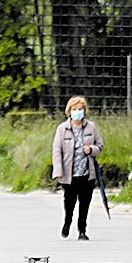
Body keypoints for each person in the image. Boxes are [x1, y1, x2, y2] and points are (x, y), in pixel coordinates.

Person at [51, 96, 104, 240]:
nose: (78, 112)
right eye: (75, 109)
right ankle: (67, 223)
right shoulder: (62, 129)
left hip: (87, 173)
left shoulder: (91, 127)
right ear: (69, 111)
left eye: (80, 109)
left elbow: (100, 146)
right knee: (69, 202)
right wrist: (58, 172)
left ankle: (82, 230)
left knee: (85, 203)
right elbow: (57, 152)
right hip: (69, 174)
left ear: (84, 111)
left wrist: (91, 149)